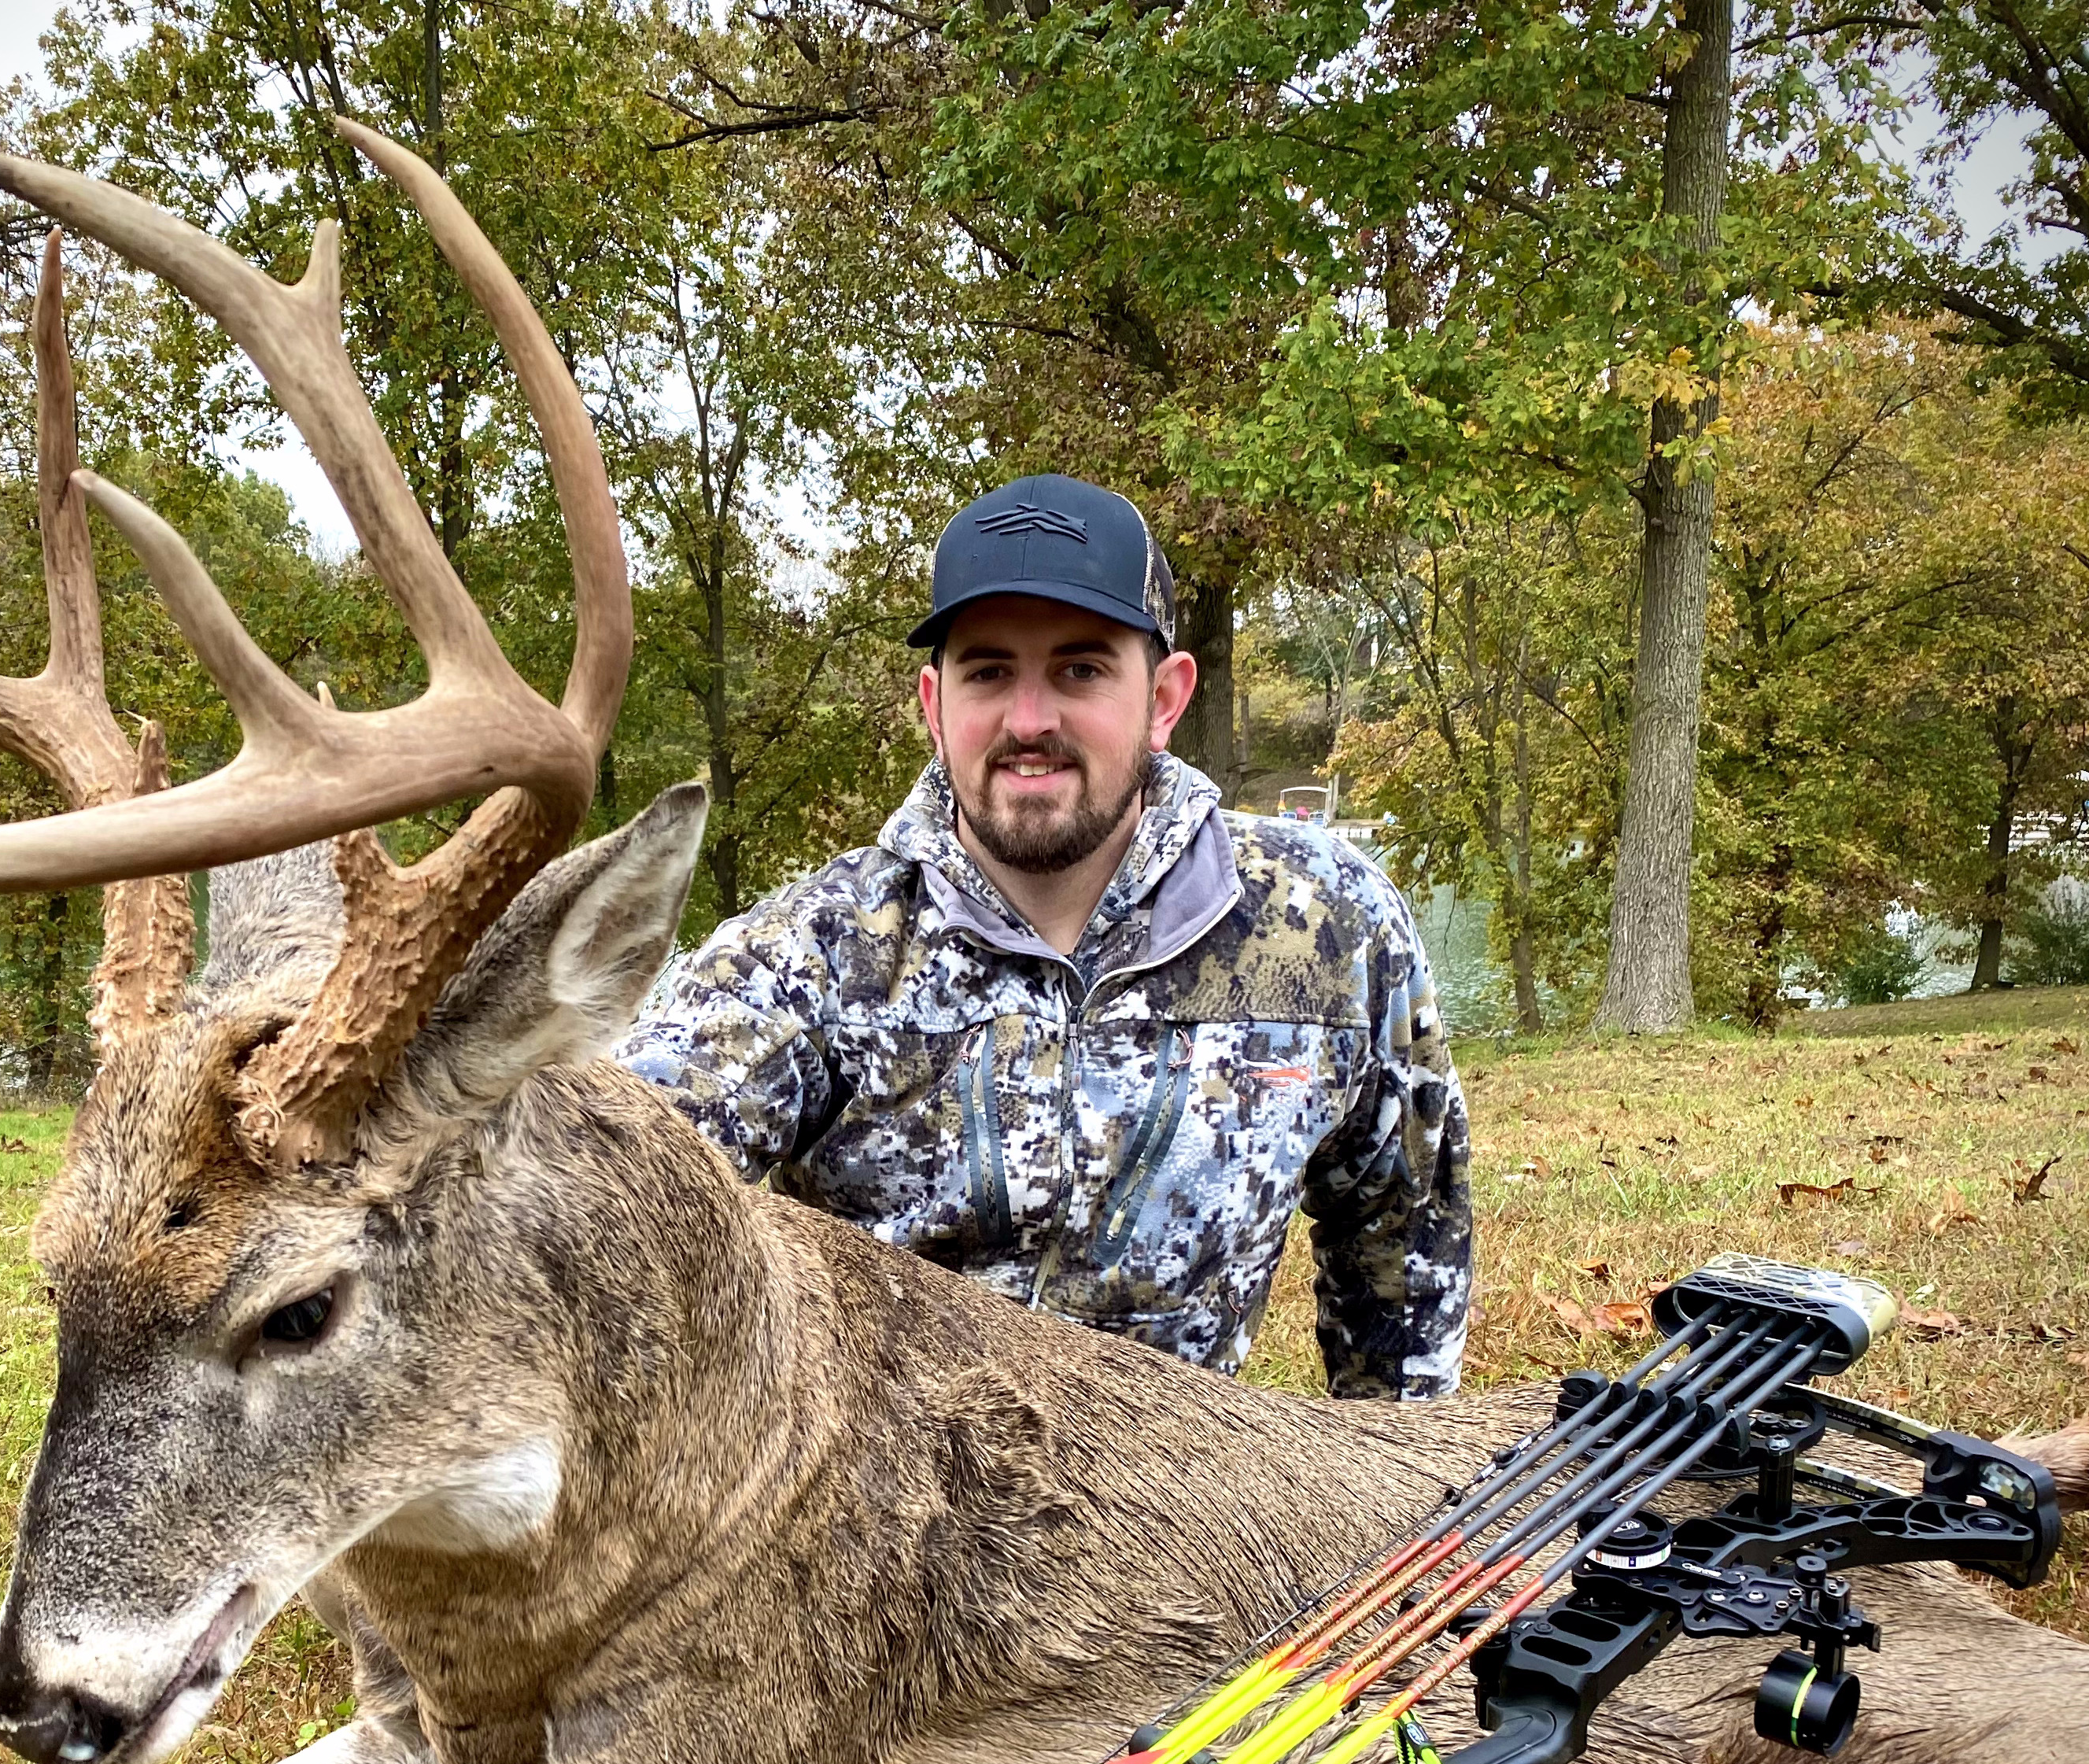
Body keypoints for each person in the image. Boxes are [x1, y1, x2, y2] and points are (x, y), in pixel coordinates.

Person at [618, 473, 1469, 1397]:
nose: (1030, 722)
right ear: (933, 704)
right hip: (880, 1518)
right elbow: (616, 1177)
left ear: (1165, 697)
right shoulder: (815, 953)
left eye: (1081, 669)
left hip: (1188, 1504)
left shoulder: (1326, 927)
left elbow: (1404, 1247)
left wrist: (1409, 1516)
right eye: (989, 672)